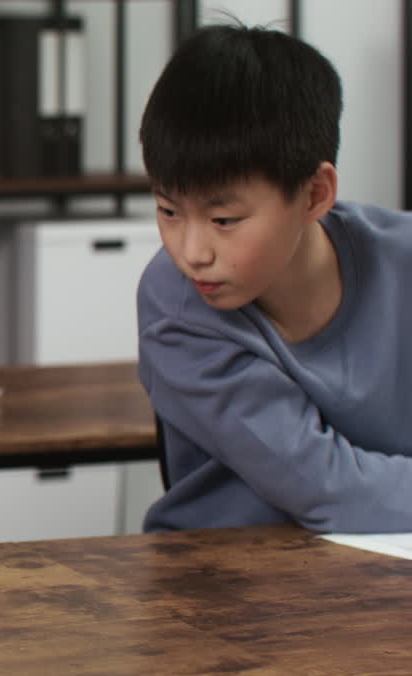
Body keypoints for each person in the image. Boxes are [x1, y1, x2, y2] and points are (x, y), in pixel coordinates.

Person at [137, 23, 412, 532]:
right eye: (168, 210)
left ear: (313, 195)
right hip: (227, 584)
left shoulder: (400, 258)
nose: (192, 253)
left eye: (224, 220)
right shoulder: (176, 304)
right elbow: (326, 488)